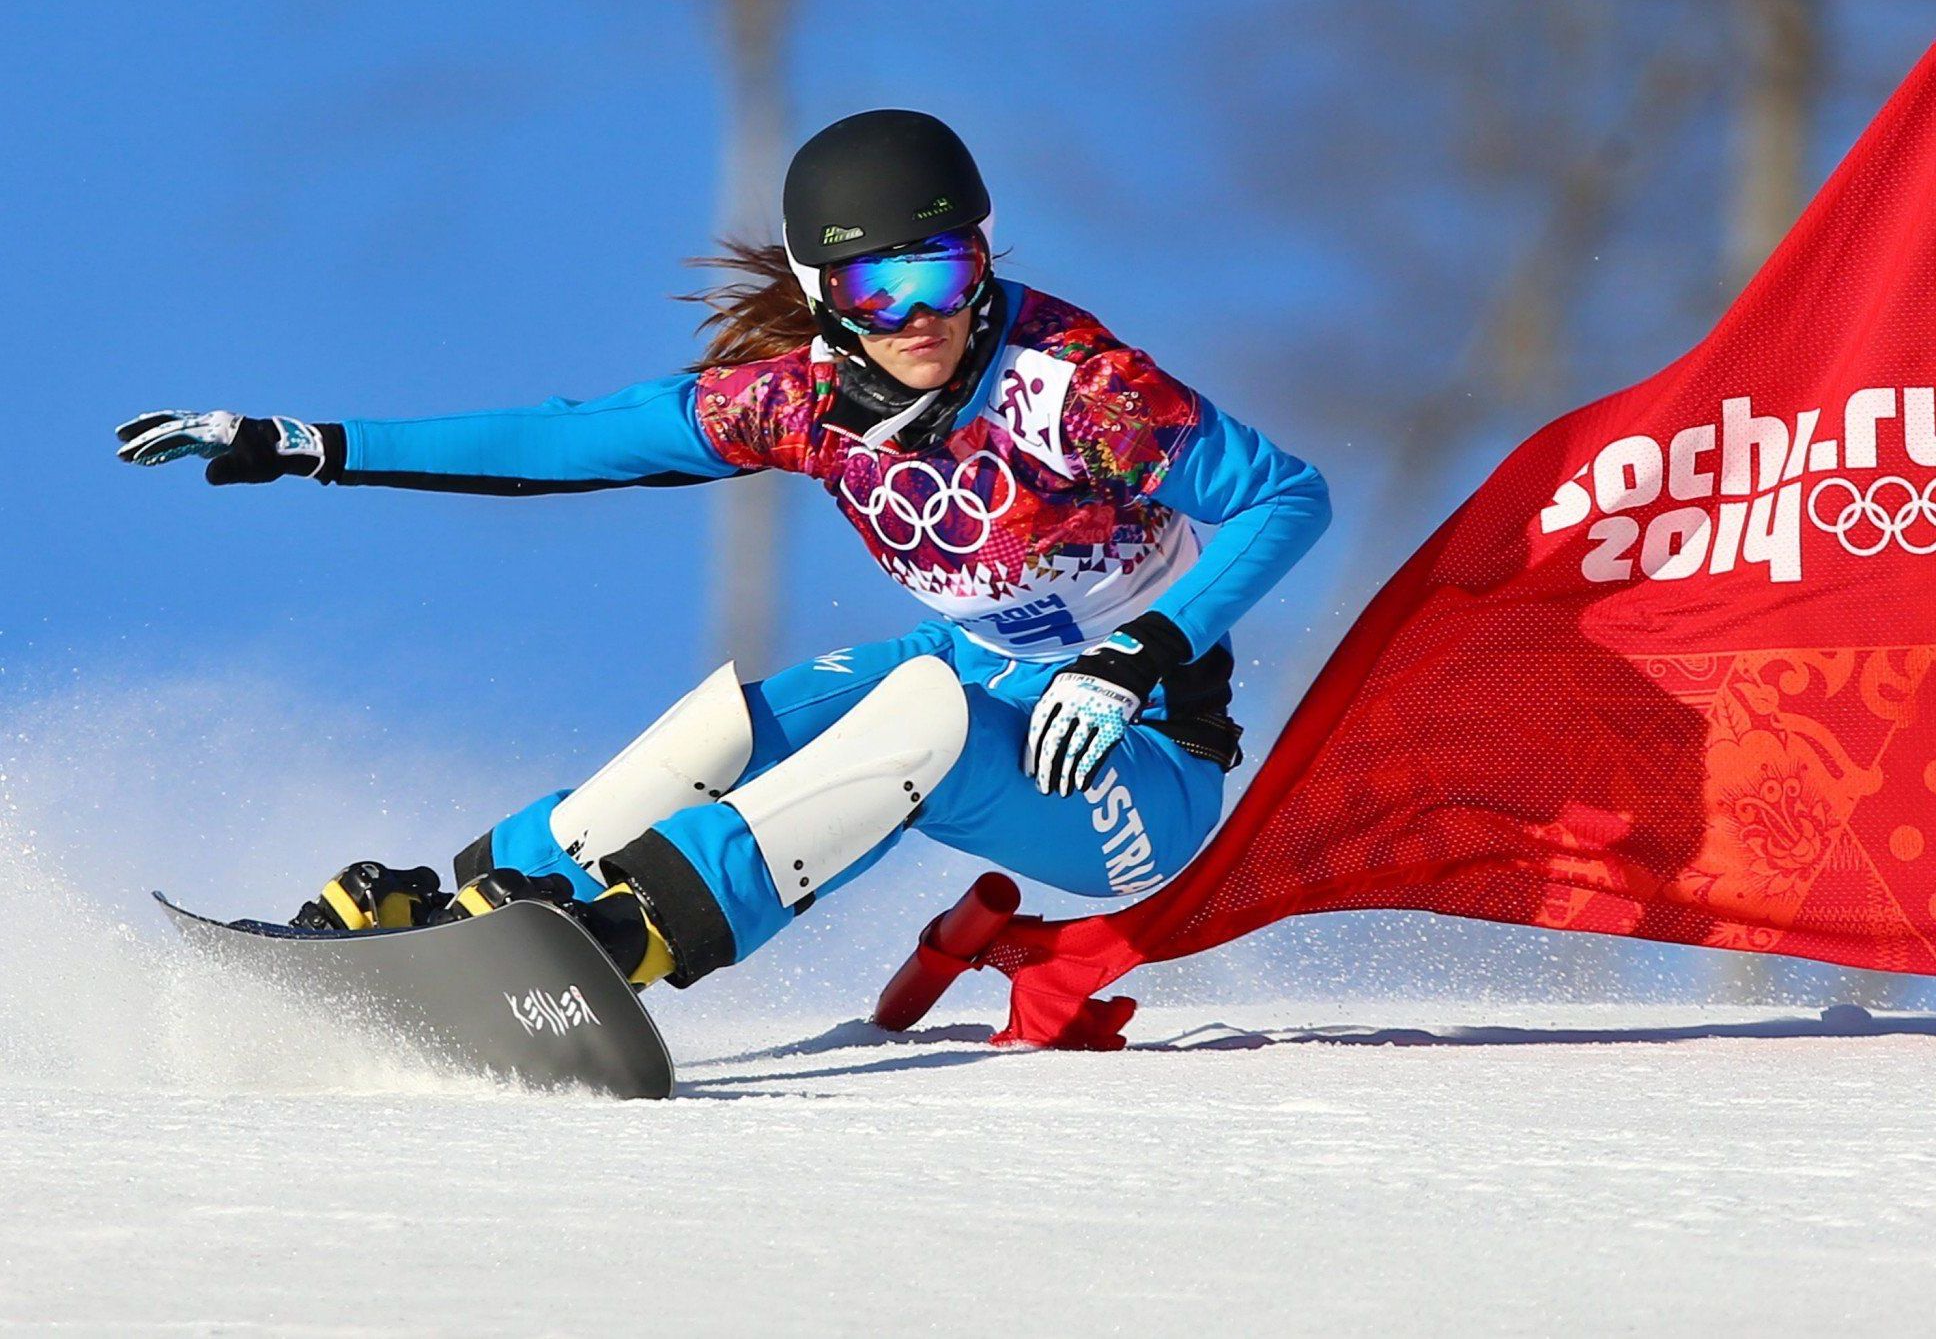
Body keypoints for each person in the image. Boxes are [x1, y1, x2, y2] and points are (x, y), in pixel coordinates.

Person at [115, 109, 1331, 994]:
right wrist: (315, 443)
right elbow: (571, 440)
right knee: (743, 722)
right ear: (821, 297)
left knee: (922, 712)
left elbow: (1286, 494)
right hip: (972, 673)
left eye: (944, 270)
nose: (920, 320)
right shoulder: (797, 404)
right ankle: (476, 905)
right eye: (876, 288)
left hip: (1135, 773)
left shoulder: (1079, 393)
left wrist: (1136, 654)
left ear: (985, 257)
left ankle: (638, 932)